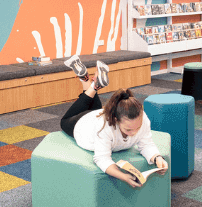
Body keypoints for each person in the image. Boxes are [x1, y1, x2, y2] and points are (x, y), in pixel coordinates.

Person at [60, 55, 168, 187]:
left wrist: (157, 157)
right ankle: (93, 85)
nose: (134, 133)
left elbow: (146, 144)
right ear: (116, 120)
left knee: (95, 108)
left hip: (97, 114)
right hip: (83, 124)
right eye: (128, 129)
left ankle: (90, 82)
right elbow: (101, 158)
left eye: (137, 128)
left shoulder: (142, 117)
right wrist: (123, 176)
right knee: (64, 122)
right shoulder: (104, 127)